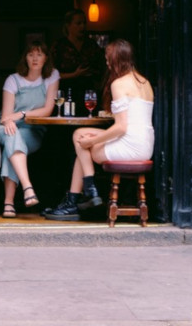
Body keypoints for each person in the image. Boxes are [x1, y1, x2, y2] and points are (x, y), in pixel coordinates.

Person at [44, 39, 154, 221]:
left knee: (84, 143)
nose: (106, 62)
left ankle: (87, 192)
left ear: (117, 59)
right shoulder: (145, 82)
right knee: (79, 134)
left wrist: (93, 141)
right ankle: (82, 195)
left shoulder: (118, 84)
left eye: (108, 58)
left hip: (130, 146)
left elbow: (121, 127)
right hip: (144, 144)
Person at [0, 41, 60, 218]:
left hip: (33, 130)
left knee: (12, 143)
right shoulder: (13, 80)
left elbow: (47, 110)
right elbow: (6, 116)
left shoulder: (52, 76)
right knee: (11, 135)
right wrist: (11, 120)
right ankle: (27, 187)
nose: (35, 58)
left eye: (39, 54)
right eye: (31, 54)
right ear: (25, 58)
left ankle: (9, 203)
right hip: (4, 126)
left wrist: (21, 115)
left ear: (46, 58)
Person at [50, 8, 104, 100]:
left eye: (84, 23)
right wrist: (74, 74)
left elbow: (102, 68)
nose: (82, 26)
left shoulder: (91, 44)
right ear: (68, 25)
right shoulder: (59, 46)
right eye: (78, 23)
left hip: (89, 93)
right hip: (66, 93)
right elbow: (50, 73)